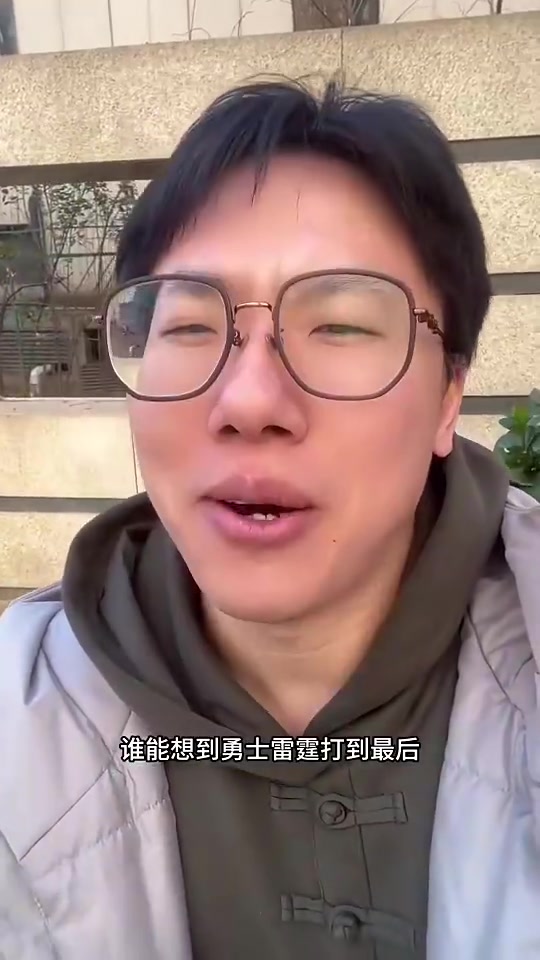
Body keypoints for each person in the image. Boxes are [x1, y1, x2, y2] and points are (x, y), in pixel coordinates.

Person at [1, 79, 538, 960]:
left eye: (340, 326)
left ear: (449, 396)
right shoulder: (17, 741)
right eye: (189, 326)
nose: (249, 401)